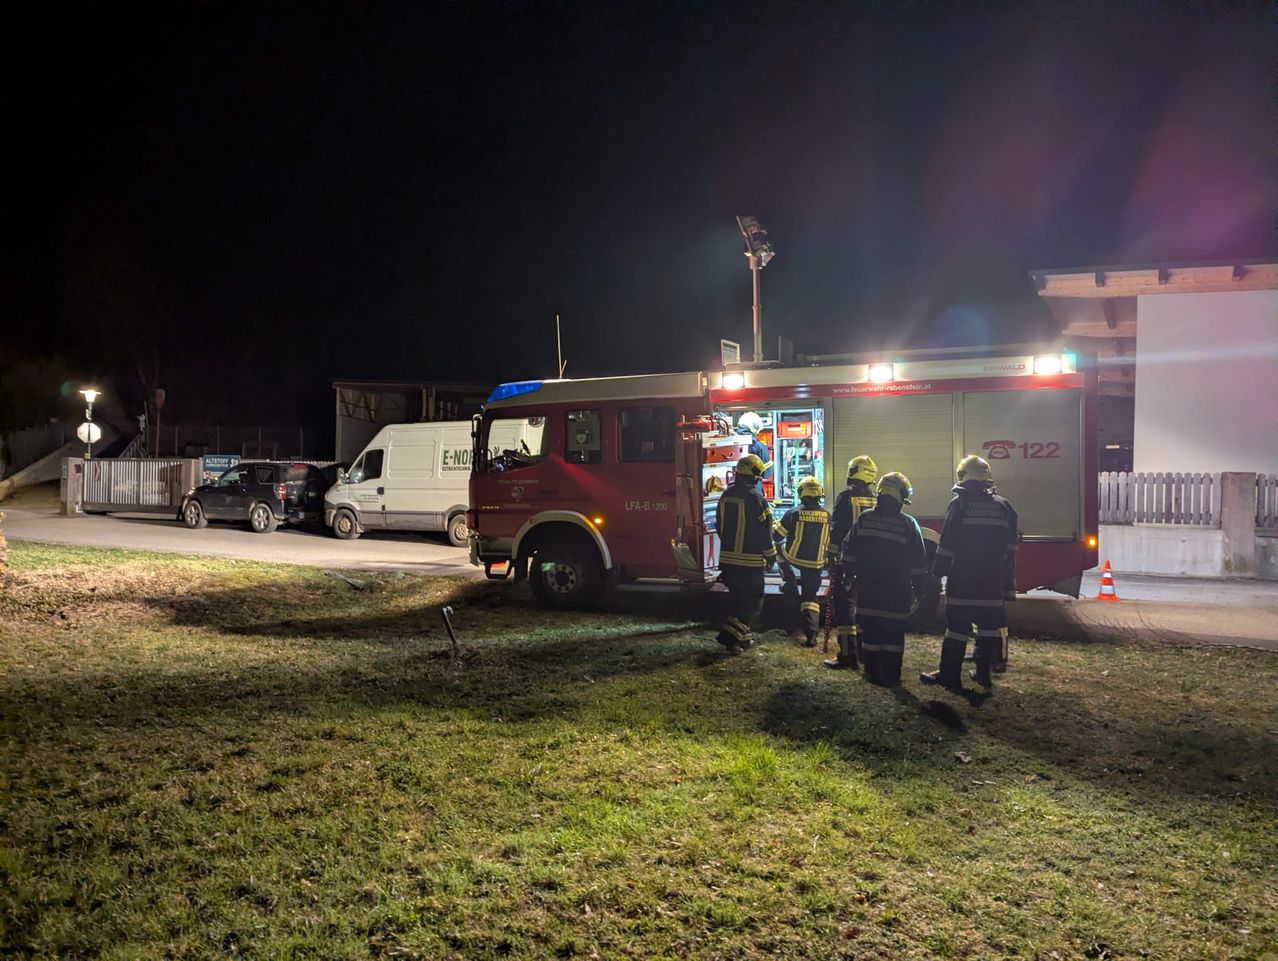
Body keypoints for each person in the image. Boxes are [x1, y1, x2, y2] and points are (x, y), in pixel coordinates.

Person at [920, 454, 1020, 690]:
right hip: (991, 582)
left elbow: (947, 544)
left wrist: (937, 574)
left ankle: (949, 674)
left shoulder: (959, 505)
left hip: (963, 580)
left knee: (956, 630)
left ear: (963, 477)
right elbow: (1010, 550)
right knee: (987, 630)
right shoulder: (1005, 507)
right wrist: (1008, 583)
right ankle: (983, 674)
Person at [841, 472, 928, 686]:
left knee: (870, 631)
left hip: (869, 589)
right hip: (896, 592)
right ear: (898, 496)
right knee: (894, 634)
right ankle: (890, 674)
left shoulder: (865, 518)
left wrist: (849, 575)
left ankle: (871, 671)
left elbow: (849, 549)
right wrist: (919, 588)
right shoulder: (909, 524)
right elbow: (919, 560)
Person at [714, 453, 776, 653]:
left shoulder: (725, 496)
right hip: (749, 562)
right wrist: (770, 554)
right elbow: (765, 530)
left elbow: (719, 525)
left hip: (728, 560)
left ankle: (744, 640)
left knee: (737, 600)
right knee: (752, 604)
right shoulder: (756, 498)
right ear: (754, 475)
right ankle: (729, 638)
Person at [823, 454, 879, 669]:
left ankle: (847, 655)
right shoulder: (875, 498)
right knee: (864, 606)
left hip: (847, 561)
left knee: (843, 607)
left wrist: (833, 557)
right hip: (869, 563)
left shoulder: (845, 496)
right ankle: (865, 651)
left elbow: (837, 530)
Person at [773, 476, 830, 647]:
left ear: (801, 493)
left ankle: (789, 580)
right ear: (819, 494)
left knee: (778, 549)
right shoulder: (827, 515)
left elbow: (777, 537)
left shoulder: (793, 513)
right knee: (810, 597)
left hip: (794, 558)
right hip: (816, 563)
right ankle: (811, 635)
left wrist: (776, 525)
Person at [734, 412, 773, 479]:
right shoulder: (760, 447)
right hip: (752, 486)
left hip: (733, 485)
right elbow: (766, 474)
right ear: (754, 426)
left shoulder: (730, 442)